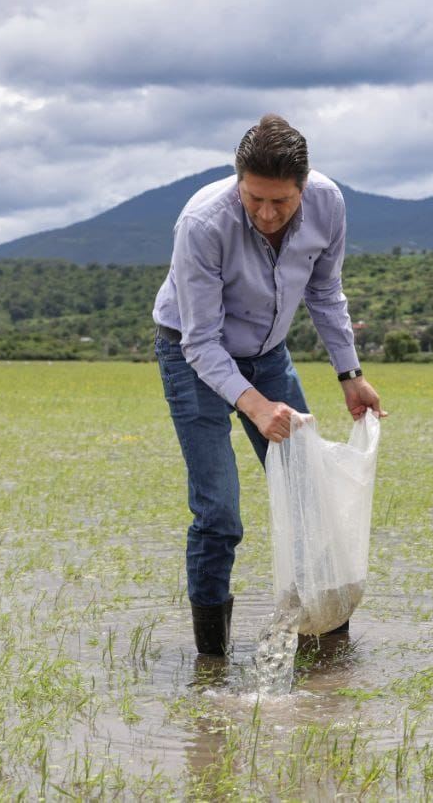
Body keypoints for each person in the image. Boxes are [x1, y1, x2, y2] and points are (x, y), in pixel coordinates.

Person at [152, 114, 383, 657]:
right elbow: (201, 342)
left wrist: (350, 375)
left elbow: (325, 292)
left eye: (281, 201)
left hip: (269, 354)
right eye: (254, 198)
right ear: (239, 180)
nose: (266, 213)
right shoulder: (203, 224)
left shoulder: (328, 203)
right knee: (218, 512)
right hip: (191, 356)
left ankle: (326, 645)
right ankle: (212, 660)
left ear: (304, 186)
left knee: (310, 496)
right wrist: (255, 407)